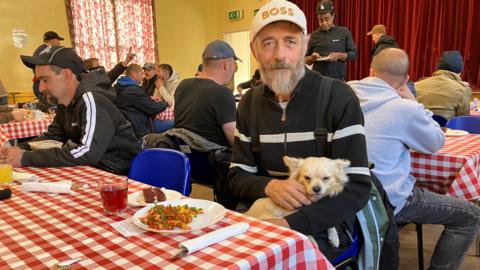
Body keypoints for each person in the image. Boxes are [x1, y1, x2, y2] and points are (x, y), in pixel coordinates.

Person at [228, 0, 371, 261]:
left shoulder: (338, 97)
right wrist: (270, 186)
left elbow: (356, 187)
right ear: (254, 50)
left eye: (290, 41)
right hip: (264, 212)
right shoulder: (249, 103)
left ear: (305, 45)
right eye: (268, 42)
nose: (280, 54)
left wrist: (290, 227)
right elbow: (237, 176)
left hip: (324, 221)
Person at [349, 48, 480, 270]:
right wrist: (413, 101)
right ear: (406, 80)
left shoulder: (344, 93)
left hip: (345, 196)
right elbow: (436, 142)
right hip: (387, 200)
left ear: (370, 70)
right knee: (470, 215)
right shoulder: (404, 108)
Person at [0, 46, 141, 175]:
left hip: (121, 175)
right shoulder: (65, 101)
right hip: (94, 171)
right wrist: (16, 149)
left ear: (67, 75)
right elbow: (53, 136)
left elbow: (88, 152)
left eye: (45, 80)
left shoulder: (92, 99)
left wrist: (25, 157)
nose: (41, 88)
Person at [174, 40, 238, 148]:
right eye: (233, 65)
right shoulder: (223, 93)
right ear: (227, 65)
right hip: (214, 161)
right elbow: (235, 142)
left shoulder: (183, 85)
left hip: (184, 158)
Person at [305, 0, 357, 80]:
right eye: (321, 20)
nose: (324, 23)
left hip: (338, 79)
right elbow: (306, 60)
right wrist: (312, 58)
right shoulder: (314, 35)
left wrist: (339, 55)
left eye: (327, 19)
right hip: (318, 80)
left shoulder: (344, 32)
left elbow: (354, 54)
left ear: (333, 16)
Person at [114, 64, 167, 138]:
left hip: (127, 124)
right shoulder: (133, 90)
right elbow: (152, 108)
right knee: (173, 123)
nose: (144, 76)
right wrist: (166, 103)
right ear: (134, 75)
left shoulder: (119, 86)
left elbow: (137, 100)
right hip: (139, 128)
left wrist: (148, 98)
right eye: (142, 73)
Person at [415, 51, 472, 120]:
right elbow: (463, 121)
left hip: (418, 129)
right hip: (445, 130)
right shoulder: (462, 90)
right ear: (459, 71)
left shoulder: (417, 85)